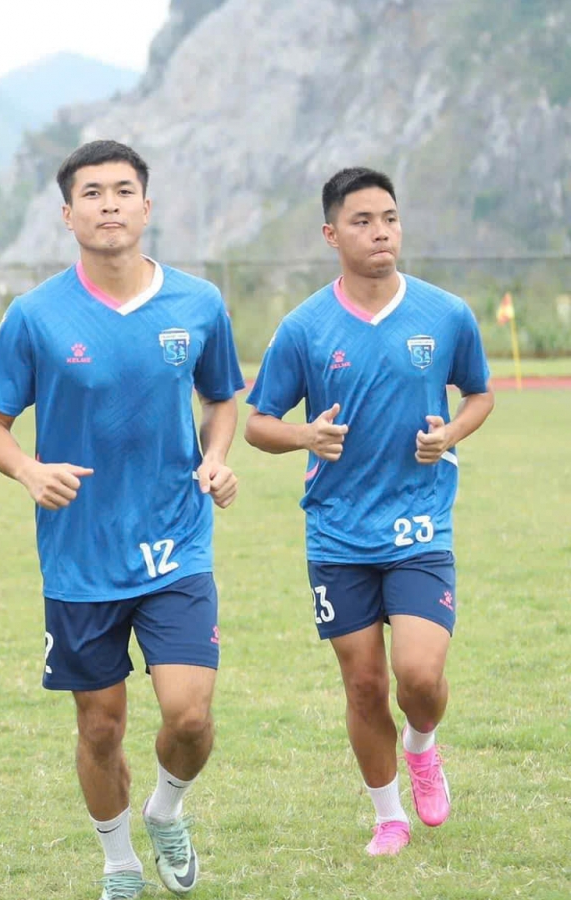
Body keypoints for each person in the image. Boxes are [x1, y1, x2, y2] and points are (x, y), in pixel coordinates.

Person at [0, 140, 244, 900]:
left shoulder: (198, 303)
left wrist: (216, 457)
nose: (110, 204)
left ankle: (166, 810)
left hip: (176, 543)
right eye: (92, 193)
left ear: (147, 207)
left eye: (124, 190)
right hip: (81, 555)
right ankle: (119, 862)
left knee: (189, 718)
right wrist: (30, 470)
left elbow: (222, 397)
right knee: (100, 728)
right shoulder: (35, 316)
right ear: (68, 214)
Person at [244, 167, 494, 857]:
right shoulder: (305, 327)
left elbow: (478, 394)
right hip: (337, 530)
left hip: (418, 524)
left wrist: (451, 434)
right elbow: (257, 422)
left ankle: (423, 745)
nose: (380, 230)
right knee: (362, 683)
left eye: (389, 217)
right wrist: (304, 435)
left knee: (418, 677)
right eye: (362, 220)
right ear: (331, 234)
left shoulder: (445, 314)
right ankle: (389, 816)